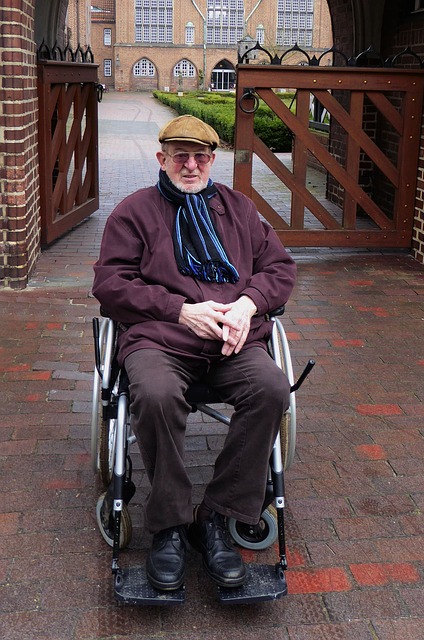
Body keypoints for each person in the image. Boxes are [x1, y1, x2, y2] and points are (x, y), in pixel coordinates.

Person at [92, 114, 296, 591]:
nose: (190, 165)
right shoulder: (134, 212)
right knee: (158, 394)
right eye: (179, 156)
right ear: (161, 160)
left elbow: (279, 267)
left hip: (233, 339)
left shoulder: (239, 209)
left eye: (200, 156)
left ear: (212, 160)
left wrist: (248, 305)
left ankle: (217, 515)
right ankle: (168, 525)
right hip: (160, 339)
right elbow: (110, 283)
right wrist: (180, 310)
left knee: (270, 388)